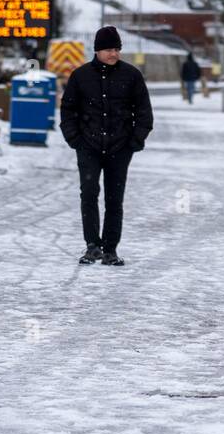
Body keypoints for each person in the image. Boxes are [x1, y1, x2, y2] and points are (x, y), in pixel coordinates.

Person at [59, 26, 153, 267]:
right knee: (88, 194)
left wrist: (135, 141)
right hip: (88, 146)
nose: (114, 54)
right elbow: (68, 110)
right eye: (109, 49)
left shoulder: (132, 76)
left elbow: (144, 113)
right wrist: (75, 139)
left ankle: (110, 249)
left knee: (115, 198)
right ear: (97, 51)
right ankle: (92, 246)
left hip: (120, 148)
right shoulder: (80, 76)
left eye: (117, 49)